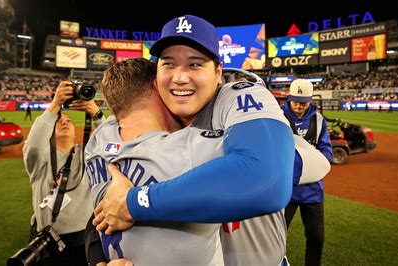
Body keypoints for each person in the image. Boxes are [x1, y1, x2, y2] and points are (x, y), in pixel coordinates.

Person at [90, 14, 297, 266]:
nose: (179, 77)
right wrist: (99, 258)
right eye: (168, 64)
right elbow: (104, 202)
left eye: (195, 64)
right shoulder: (125, 125)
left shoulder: (236, 99)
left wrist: (134, 202)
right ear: (155, 77)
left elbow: (267, 180)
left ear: (218, 72)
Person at [23, 81, 105, 265]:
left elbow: (108, 146)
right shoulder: (41, 160)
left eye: (68, 120)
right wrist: (55, 106)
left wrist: (97, 115)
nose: (66, 122)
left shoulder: (87, 154)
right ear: (50, 131)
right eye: (60, 121)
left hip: (82, 239)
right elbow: (35, 145)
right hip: (46, 240)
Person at [281, 79, 332, 266]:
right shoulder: (278, 116)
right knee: (276, 238)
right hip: (286, 190)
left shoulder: (319, 120)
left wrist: (317, 166)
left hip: (313, 191)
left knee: (317, 238)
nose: (299, 106)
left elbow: (326, 149)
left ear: (310, 100)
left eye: (303, 102)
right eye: (296, 102)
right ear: (289, 99)